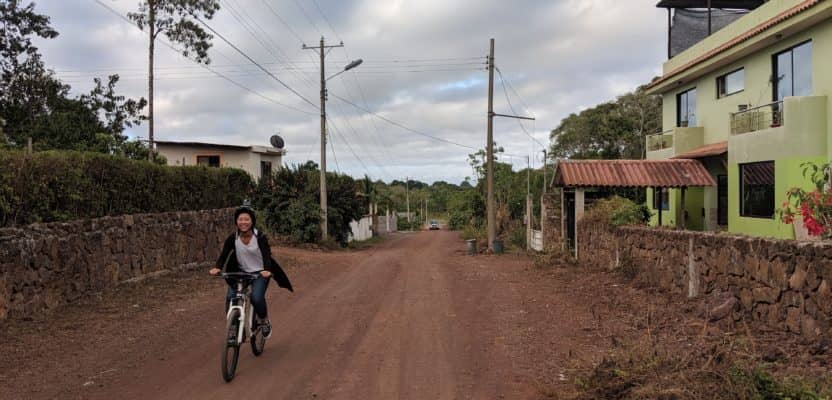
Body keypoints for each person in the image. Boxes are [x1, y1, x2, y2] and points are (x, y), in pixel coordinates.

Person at [210, 205, 293, 339]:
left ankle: (264, 321)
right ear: (236, 221)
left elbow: (267, 255)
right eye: (240, 219)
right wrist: (218, 267)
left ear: (252, 221)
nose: (243, 222)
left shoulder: (259, 237)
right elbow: (224, 254)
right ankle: (232, 328)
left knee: (256, 297)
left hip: (259, 273)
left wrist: (266, 270)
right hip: (241, 273)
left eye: (246, 219)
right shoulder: (233, 238)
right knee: (230, 297)